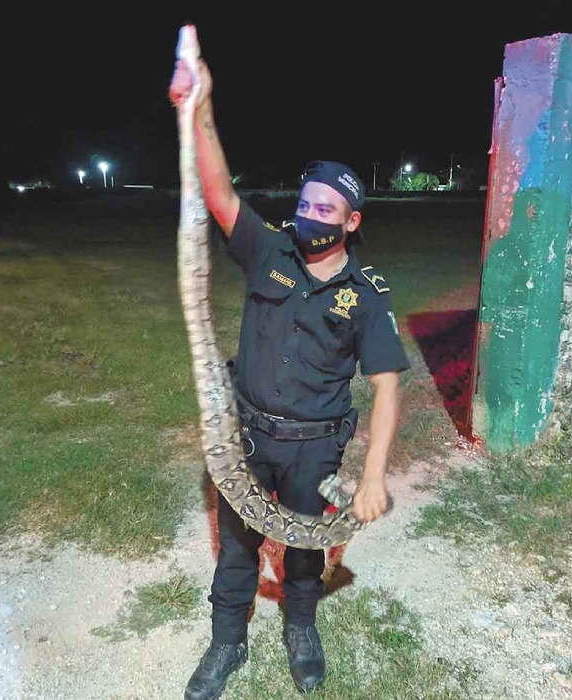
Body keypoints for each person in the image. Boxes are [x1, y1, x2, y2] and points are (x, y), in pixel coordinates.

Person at [170, 52, 409, 698]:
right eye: (306, 203)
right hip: (248, 436)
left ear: (352, 222)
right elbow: (218, 192)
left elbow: (388, 385)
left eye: (326, 208)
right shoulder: (267, 249)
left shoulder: (367, 294)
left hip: (315, 445)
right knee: (239, 547)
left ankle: (300, 629)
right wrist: (201, 106)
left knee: (305, 549)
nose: (311, 214)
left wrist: (375, 473)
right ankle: (227, 642)